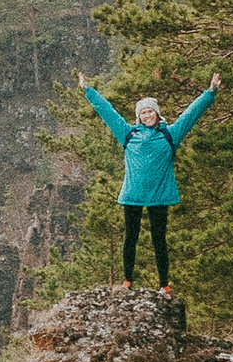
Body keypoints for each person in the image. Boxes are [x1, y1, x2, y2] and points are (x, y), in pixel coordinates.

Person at [79, 66, 221, 289]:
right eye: (143, 112)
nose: (147, 115)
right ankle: (127, 281)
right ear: (138, 116)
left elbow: (191, 114)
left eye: (150, 111)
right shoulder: (128, 134)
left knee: (159, 242)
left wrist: (210, 92)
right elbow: (107, 112)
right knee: (130, 240)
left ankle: (164, 285)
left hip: (160, 196)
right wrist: (88, 91)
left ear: (157, 114)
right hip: (133, 195)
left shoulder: (170, 134)